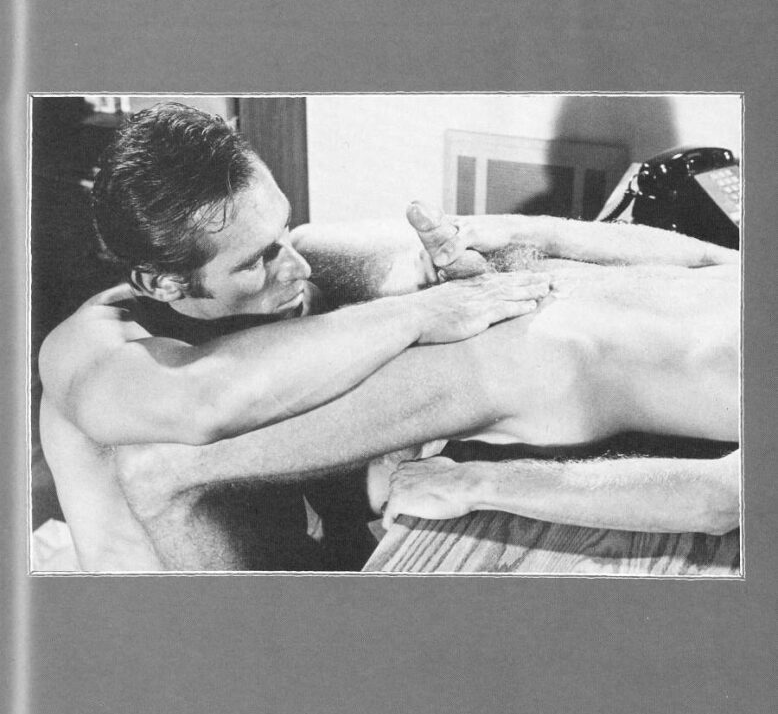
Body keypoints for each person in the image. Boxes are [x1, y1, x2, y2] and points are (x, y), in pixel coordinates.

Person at [37, 103, 545, 572]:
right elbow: (204, 401)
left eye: (283, 229)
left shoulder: (280, 303)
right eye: (257, 259)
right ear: (163, 283)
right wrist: (419, 314)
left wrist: (451, 288)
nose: (298, 267)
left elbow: (328, 490)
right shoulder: (88, 350)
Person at [114, 201, 741, 572]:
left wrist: (477, 484)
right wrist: (524, 233)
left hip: (520, 366)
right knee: (311, 251)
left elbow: (719, 501)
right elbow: (705, 259)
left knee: (159, 470)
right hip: (517, 283)